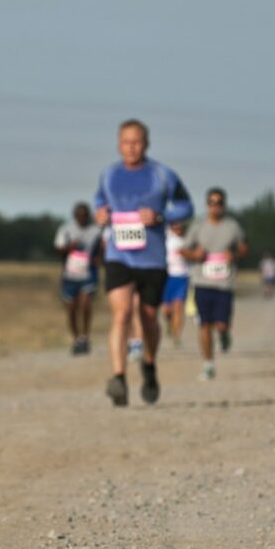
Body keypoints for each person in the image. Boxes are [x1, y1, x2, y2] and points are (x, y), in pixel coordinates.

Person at [94, 119, 193, 406]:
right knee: (122, 314)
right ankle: (119, 378)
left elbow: (186, 207)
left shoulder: (162, 175)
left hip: (152, 259)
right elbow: (100, 202)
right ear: (118, 143)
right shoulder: (109, 174)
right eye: (126, 142)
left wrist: (161, 217)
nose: (131, 147)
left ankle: (149, 366)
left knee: (148, 317)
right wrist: (100, 214)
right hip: (119, 256)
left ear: (146, 144)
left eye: (136, 142)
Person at [182, 188, 248, 380]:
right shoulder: (198, 226)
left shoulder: (232, 226)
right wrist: (195, 255)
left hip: (224, 284)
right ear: (207, 204)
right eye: (212, 202)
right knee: (204, 324)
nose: (215, 206)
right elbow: (183, 250)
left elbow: (244, 248)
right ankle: (208, 364)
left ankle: (224, 333)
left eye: (219, 202)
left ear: (224, 205)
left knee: (220, 324)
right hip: (202, 281)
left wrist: (234, 255)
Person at [54, 202, 103, 354]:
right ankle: (76, 339)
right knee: (72, 309)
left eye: (85, 215)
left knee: (86, 304)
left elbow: (103, 248)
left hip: (88, 274)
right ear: (75, 216)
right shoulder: (66, 229)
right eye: (79, 215)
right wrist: (69, 248)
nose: (82, 218)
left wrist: (99, 259)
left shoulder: (96, 230)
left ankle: (85, 337)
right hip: (70, 275)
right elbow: (57, 249)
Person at [161, 221, 191, 345]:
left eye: (180, 224)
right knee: (166, 310)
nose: (178, 227)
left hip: (182, 277)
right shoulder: (165, 236)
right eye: (175, 224)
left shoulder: (188, 239)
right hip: (167, 276)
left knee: (178, 306)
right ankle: (169, 322)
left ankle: (177, 335)